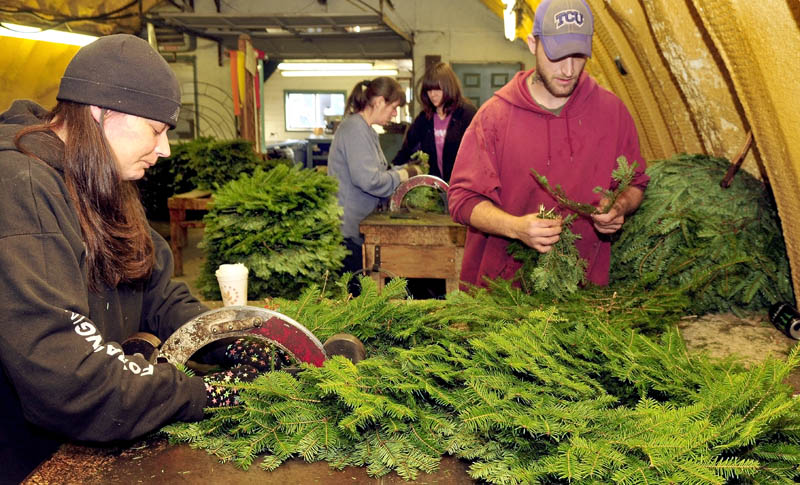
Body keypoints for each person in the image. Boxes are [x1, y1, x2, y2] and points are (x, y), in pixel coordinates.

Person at [0, 34, 262, 483]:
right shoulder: (21, 186)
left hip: (86, 434)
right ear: (101, 113)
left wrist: (240, 341)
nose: (165, 150)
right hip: (24, 458)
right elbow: (62, 368)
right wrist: (204, 395)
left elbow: (158, 294)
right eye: (157, 130)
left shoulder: (101, 180)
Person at [448, 0, 650, 290]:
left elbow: (637, 182)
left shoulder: (612, 112)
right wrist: (516, 228)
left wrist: (619, 207)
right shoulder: (495, 117)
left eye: (578, 56)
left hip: (581, 293)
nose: (568, 70)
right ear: (533, 44)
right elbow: (462, 200)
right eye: (557, 56)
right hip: (504, 292)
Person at [328, 77, 423, 275]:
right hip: (349, 232)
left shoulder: (368, 131)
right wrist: (404, 174)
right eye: (394, 107)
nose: (395, 114)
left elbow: (379, 171)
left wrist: (402, 169)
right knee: (354, 295)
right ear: (379, 101)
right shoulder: (354, 129)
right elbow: (369, 180)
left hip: (361, 227)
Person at [392, 62, 477, 183]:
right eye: (429, 90)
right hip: (435, 188)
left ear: (448, 87)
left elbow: (478, 152)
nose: (433, 94)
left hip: (463, 185)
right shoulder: (424, 119)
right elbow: (407, 150)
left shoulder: (466, 113)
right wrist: (391, 169)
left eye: (437, 89)